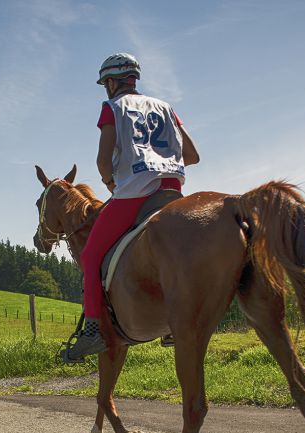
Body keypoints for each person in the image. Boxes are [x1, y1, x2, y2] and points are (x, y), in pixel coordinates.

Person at [61, 52, 200, 364]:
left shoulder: (112, 107)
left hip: (135, 194)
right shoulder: (166, 108)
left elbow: (101, 160)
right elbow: (192, 156)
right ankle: (174, 321)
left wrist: (110, 181)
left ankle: (93, 329)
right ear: (134, 79)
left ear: (111, 83)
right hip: (172, 191)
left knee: (91, 255)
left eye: (105, 84)